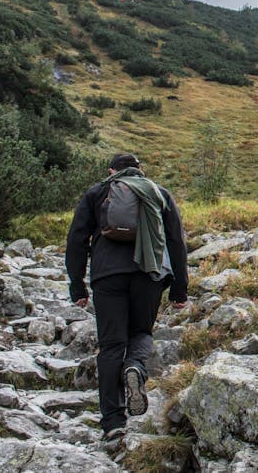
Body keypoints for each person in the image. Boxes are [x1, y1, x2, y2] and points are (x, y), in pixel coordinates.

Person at [64, 153, 188, 446]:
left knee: (110, 347)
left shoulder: (98, 192)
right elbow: (176, 242)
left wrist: (77, 286)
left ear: (112, 171)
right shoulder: (159, 193)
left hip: (107, 275)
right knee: (141, 332)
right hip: (149, 274)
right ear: (139, 171)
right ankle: (135, 368)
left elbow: (76, 240)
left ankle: (113, 423)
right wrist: (179, 289)